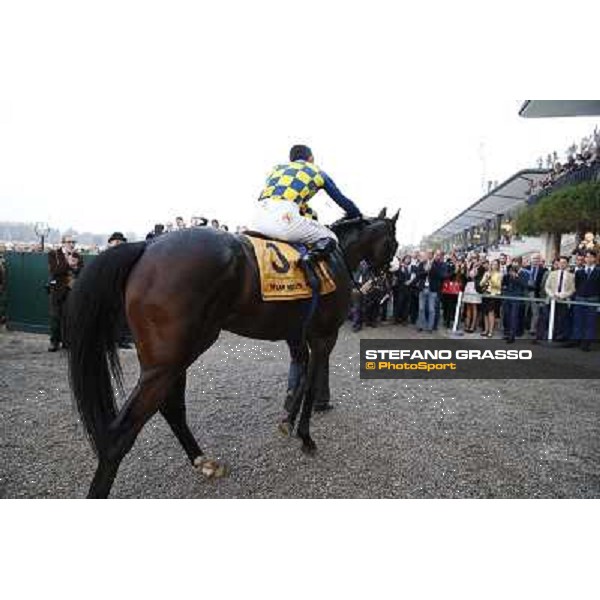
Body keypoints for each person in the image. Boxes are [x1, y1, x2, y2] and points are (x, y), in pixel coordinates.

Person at [251, 144, 362, 287]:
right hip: (283, 219)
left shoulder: (277, 170)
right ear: (311, 158)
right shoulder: (316, 171)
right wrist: (357, 214)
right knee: (330, 237)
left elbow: (297, 205)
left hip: (257, 219)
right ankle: (308, 261)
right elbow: (341, 199)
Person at [47, 235, 84, 351]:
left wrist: (76, 267)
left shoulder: (78, 255)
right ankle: (54, 342)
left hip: (72, 290)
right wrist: (68, 264)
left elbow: (82, 272)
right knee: (55, 317)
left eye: (74, 242)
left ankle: (67, 342)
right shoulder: (54, 254)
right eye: (69, 242)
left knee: (70, 317)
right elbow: (54, 271)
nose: (72, 244)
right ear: (63, 243)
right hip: (58, 290)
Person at [570, 250, 600, 351]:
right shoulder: (579, 272)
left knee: (590, 322)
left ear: (595, 258)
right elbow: (577, 285)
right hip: (580, 298)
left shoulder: (598, 271)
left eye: (591, 257)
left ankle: (586, 343)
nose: (588, 259)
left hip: (593, 299)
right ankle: (576, 339)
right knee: (578, 320)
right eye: (587, 257)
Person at [480, 259, 502, 338]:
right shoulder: (486, 273)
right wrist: (486, 278)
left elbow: (498, 286)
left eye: (496, 264)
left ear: (498, 266)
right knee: (485, 313)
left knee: (491, 313)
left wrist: (491, 279)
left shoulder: (499, 274)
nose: (494, 266)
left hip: (494, 295)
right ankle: (486, 330)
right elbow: (481, 284)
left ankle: (491, 331)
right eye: (492, 264)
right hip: (486, 294)